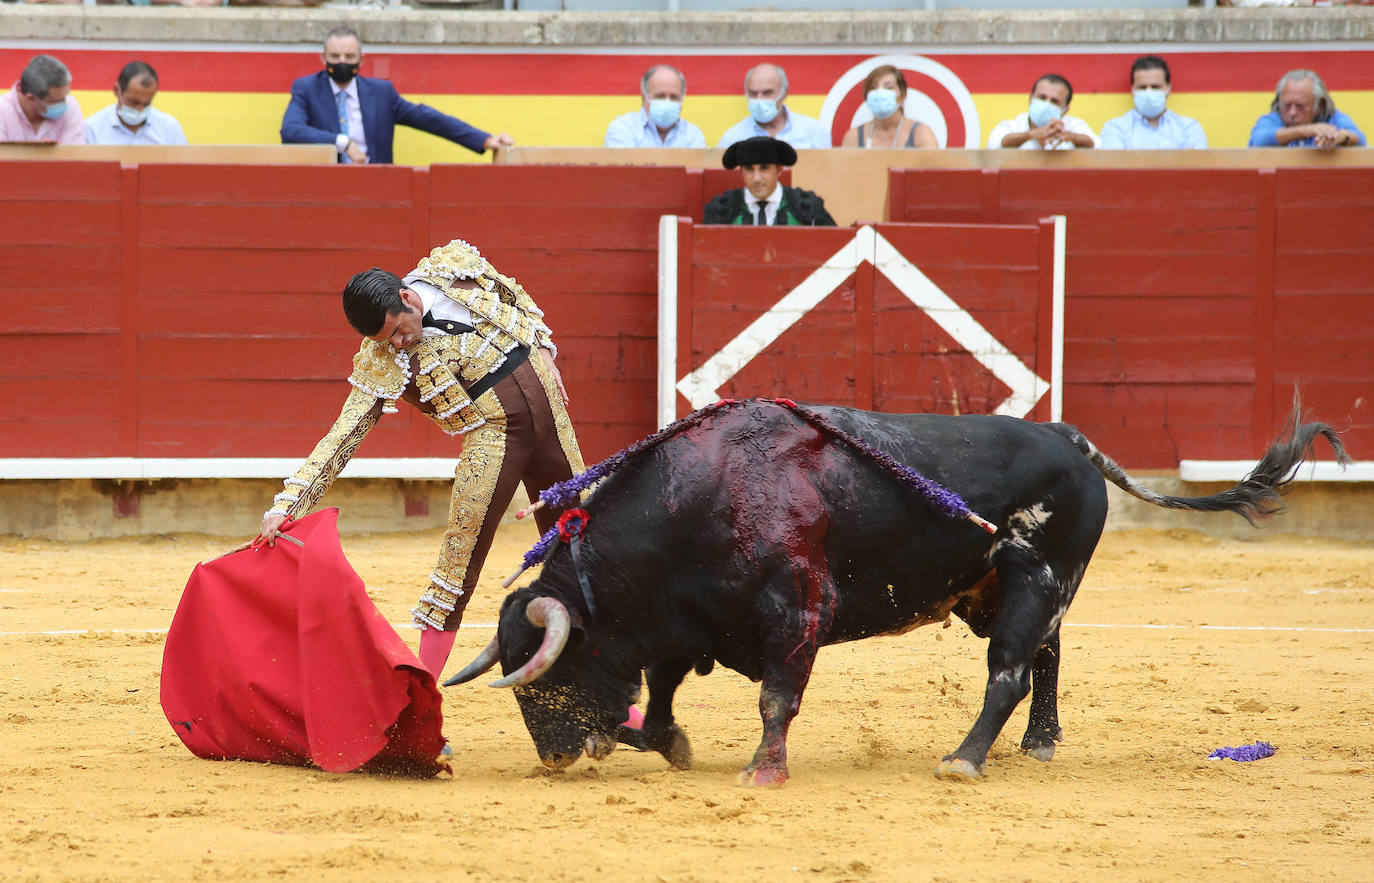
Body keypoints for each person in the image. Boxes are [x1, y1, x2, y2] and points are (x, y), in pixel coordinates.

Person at [255, 239, 585, 679]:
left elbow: (514, 295)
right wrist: (286, 506)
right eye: (384, 340)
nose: (396, 343)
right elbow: (344, 434)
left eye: (396, 331)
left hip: (554, 423)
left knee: (582, 548)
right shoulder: (384, 359)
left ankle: (610, 699)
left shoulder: (453, 269)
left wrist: (544, 346)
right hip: (495, 439)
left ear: (407, 297)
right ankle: (423, 701)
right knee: (456, 570)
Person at [281, 26, 514, 165]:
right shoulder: (307, 89)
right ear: (323, 58)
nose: (342, 62)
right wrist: (343, 143)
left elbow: (428, 119)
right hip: (325, 187)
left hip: (379, 186)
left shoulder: (381, 93)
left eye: (349, 57)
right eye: (335, 56)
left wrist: (484, 139)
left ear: (362, 60)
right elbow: (290, 130)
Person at [703, 136, 835, 226]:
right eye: (749, 169)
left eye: (764, 169)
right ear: (741, 170)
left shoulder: (809, 208)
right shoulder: (720, 211)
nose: (756, 178)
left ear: (779, 169)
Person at [1099, 56, 1207, 150]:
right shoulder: (1115, 128)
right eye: (1142, 87)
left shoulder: (1189, 128)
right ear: (1132, 90)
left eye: (1155, 87)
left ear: (1168, 90)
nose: (1149, 92)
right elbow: (1114, 170)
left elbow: (1197, 167)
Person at [716, 63, 831, 151]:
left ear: (784, 94)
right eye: (753, 94)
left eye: (767, 93)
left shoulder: (814, 132)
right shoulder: (733, 138)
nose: (759, 99)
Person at [1248, 69, 1366, 149]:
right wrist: (1306, 131)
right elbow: (1258, 140)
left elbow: (1360, 140)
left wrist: (1341, 137)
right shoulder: (1272, 120)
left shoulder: (1334, 119)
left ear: (1319, 106)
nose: (1292, 112)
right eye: (1287, 105)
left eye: (1301, 106)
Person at [82, 61, 189, 146]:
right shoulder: (93, 128)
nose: (139, 110)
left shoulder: (169, 127)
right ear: (116, 90)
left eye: (146, 104)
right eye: (133, 102)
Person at [986, 74, 1098, 151]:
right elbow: (993, 145)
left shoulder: (1074, 125)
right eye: (1042, 98)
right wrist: (1030, 135)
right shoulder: (1011, 125)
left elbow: (1098, 146)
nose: (1046, 104)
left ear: (1065, 110)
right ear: (1030, 99)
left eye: (1054, 101)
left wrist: (1070, 137)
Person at [604, 64, 706, 149]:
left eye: (674, 97)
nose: (667, 102)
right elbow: (622, 171)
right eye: (660, 97)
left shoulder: (693, 135)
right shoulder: (624, 128)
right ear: (645, 98)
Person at [839, 65, 938, 149]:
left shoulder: (920, 133)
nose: (879, 92)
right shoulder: (854, 137)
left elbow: (935, 169)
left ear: (902, 96)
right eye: (873, 88)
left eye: (888, 87)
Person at [0, 54, 85, 144]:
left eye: (65, 97)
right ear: (30, 98)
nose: (64, 104)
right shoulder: (2, 110)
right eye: (55, 102)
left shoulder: (70, 106)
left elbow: (75, 154)